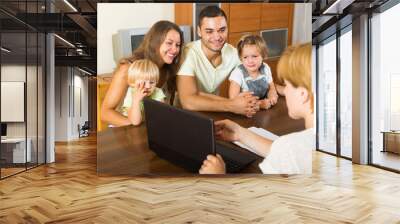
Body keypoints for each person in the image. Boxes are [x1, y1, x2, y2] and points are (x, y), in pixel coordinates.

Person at [199, 43, 315, 174]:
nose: (285, 91)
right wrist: (239, 133)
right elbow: (288, 152)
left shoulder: (289, 150)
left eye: (286, 85)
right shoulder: (309, 144)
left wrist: (217, 176)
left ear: (303, 94)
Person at [177, 6, 259, 118]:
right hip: (185, 115)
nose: (217, 37)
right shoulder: (188, 53)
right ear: (199, 31)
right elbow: (188, 101)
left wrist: (275, 89)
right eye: (209, 31)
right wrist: (232, 105)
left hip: (215, 113)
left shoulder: (232, 52)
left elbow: (259, 71)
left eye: (222, 30)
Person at [101, 20, 183, 127]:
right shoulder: (127, 68)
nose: (175, 49)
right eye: (169, 43)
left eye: (178, 45)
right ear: (155, 43)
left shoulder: (168, 69)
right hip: (125, 129)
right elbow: (105, 113)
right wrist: (135, 124)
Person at [228, 34, 279, 110]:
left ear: (263, 55)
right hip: (245, 112)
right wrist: (259, 104)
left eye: (254, 56)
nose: (250, 61)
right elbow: (233, 100)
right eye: (245, 57)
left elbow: (271, 87)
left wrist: (272, 94)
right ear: (241, 59)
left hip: (265, 110)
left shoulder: (265, 68)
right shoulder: (238, 73)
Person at [120, 59, 165, 126]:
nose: (147, 86)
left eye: (152, 82)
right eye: (143, 83)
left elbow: (161, 117)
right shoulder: (131, 93)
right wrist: (136, 100)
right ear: (132, 83)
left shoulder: (158, 92)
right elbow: (135, 122)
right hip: (130, 127)